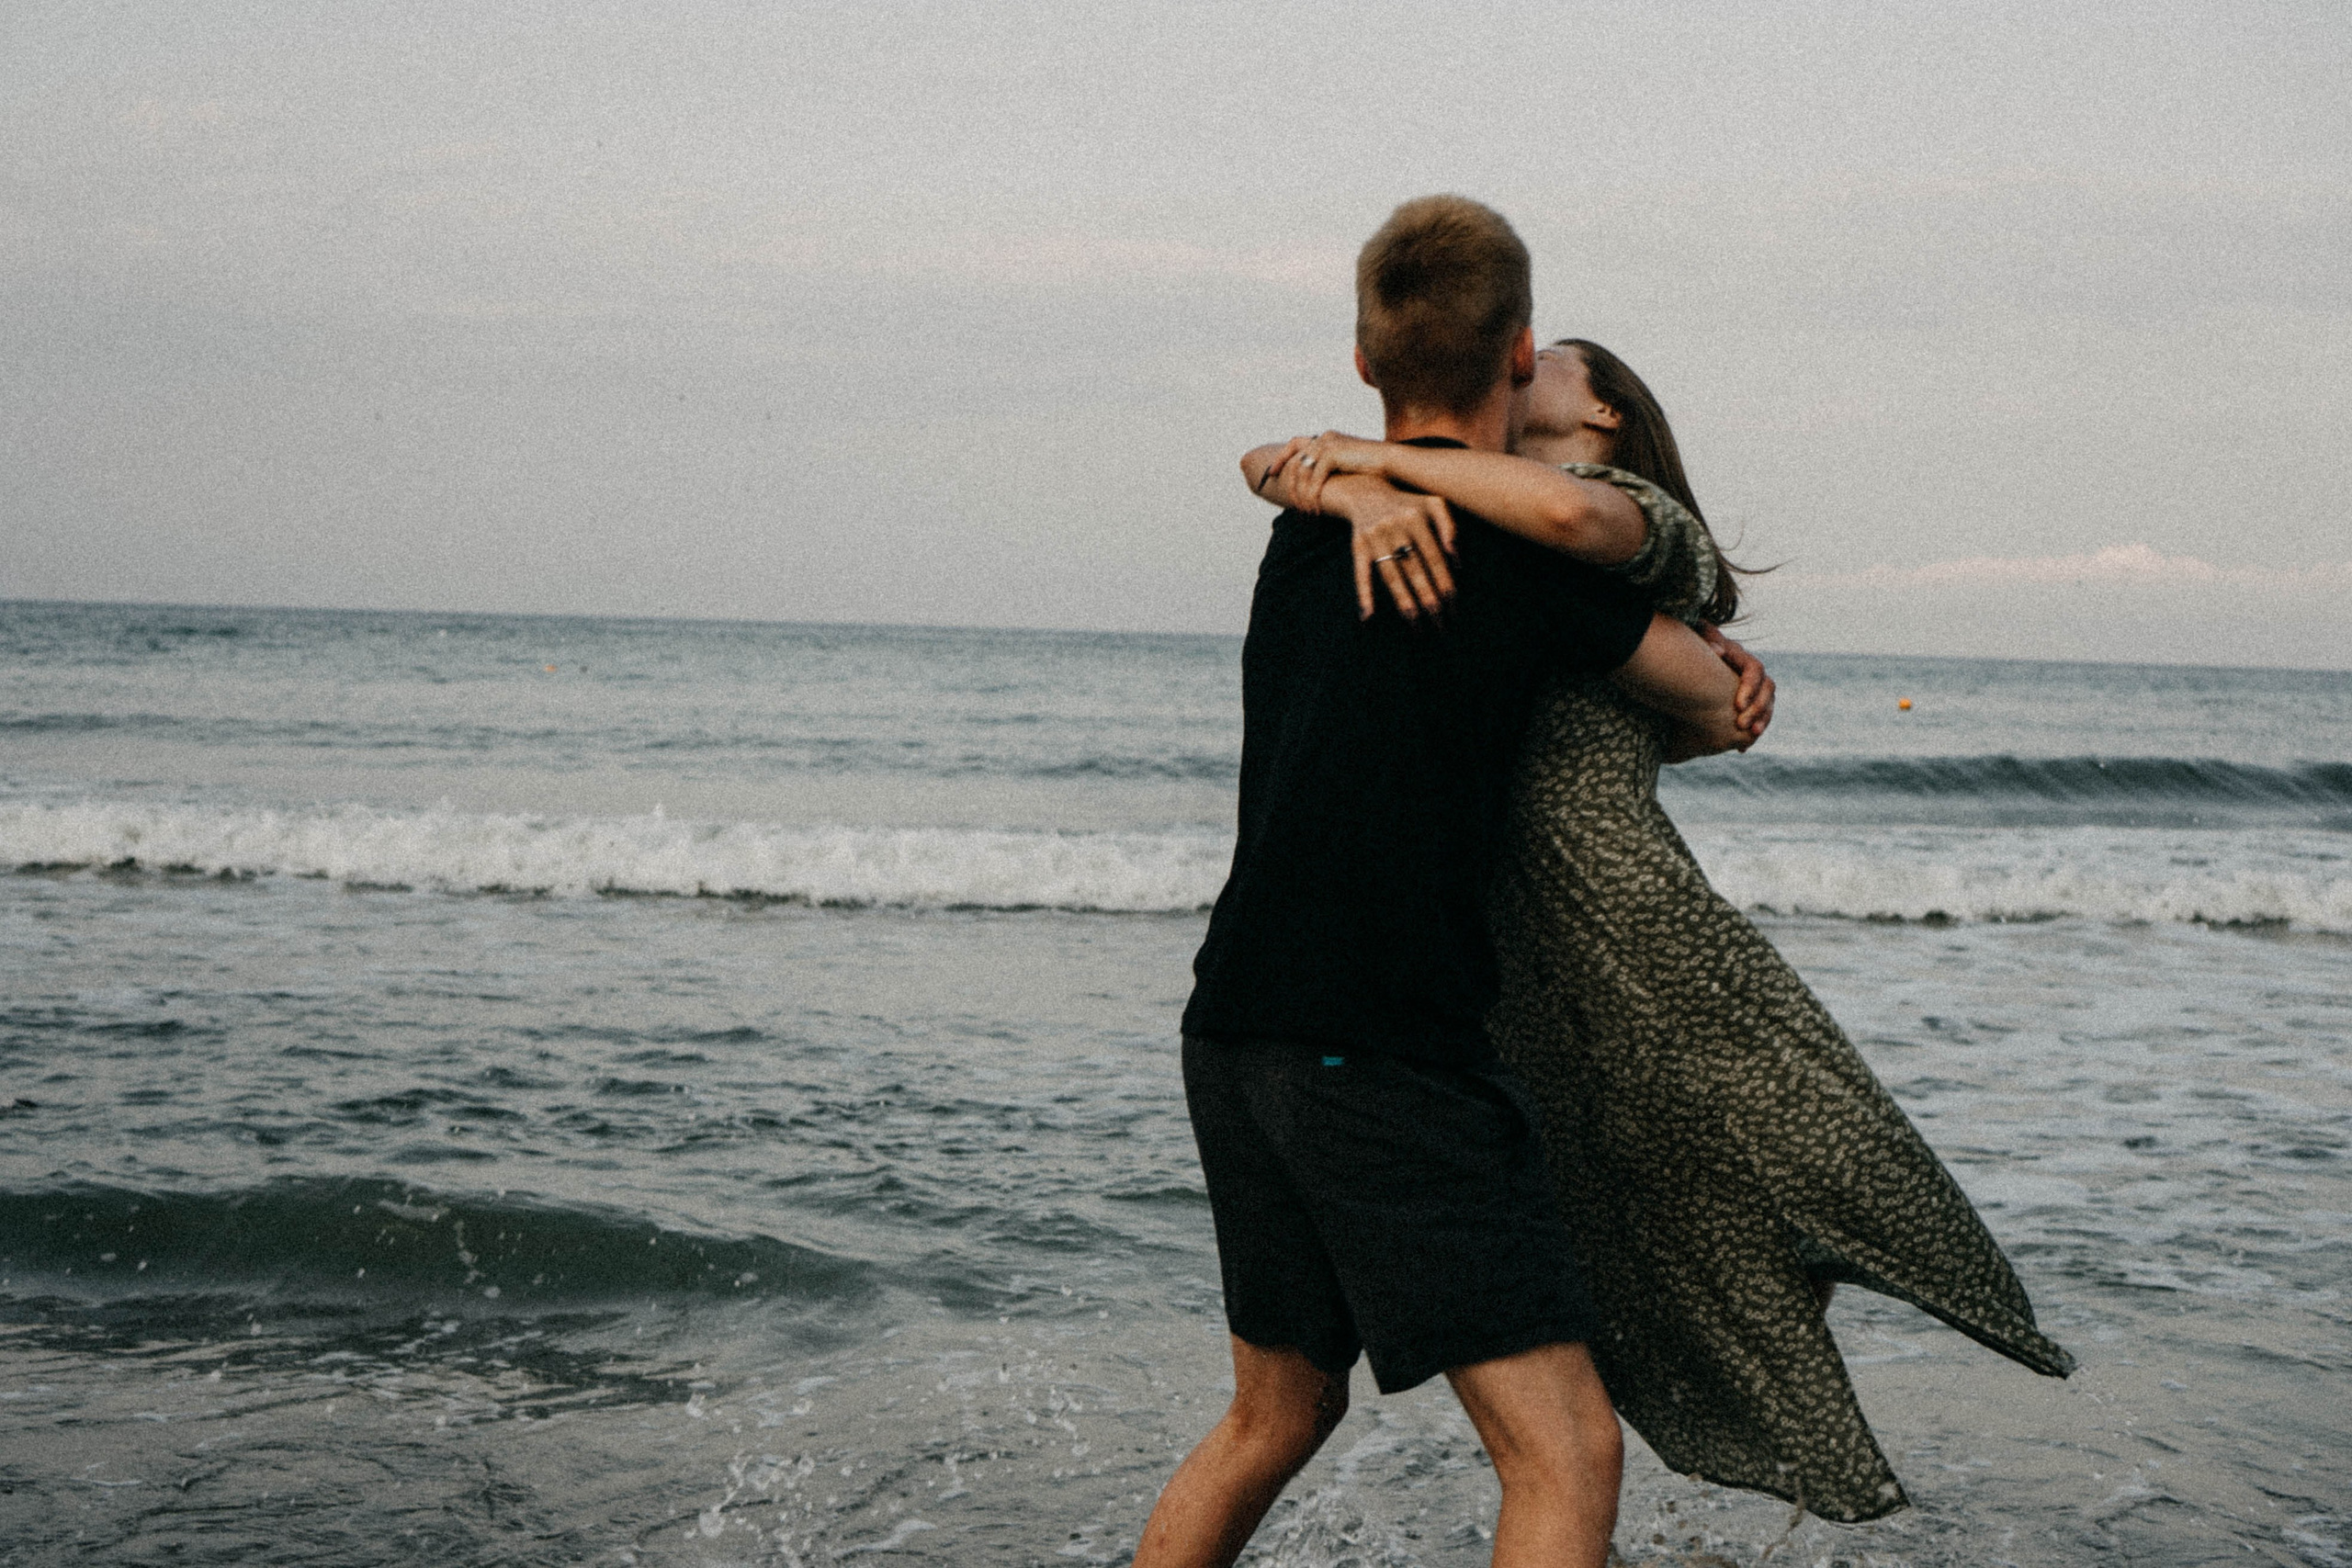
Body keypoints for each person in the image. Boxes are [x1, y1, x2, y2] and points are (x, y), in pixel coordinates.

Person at [1244, 338, 2076, 1523]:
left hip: (1627, 910)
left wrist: (1370, 466)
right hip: (1516, 937)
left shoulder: (1615, 514)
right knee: (1602, 1185)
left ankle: (1697, 1425)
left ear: (1608, 419)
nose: (1519, 371)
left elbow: (1624, 616)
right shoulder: (1480, 512)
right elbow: (1266, 458)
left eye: (1554, 366)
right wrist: (1367, 486)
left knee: (1759, 1149)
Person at [1136, 197, 1752, 1568]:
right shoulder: (1518, 549)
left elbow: (1280, 469)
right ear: (1522, 354)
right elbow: (1712, 705)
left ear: (1365, 366)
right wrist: (1716, 660)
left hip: (1233, 1027)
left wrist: (1346, 474)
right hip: (1385, 1046)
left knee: (1274, 1411)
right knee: (1566, 1450)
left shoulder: (1313, 524)